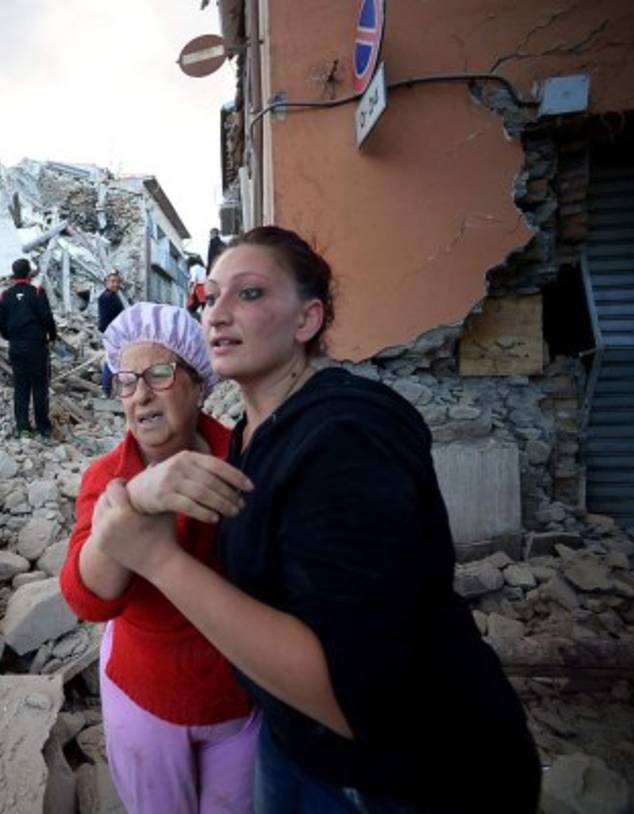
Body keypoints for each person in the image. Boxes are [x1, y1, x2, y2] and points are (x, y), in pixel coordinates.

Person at [90, 227, 541, 813]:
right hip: (297, 746)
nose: (218, 312)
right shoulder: (252, 436)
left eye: (249, 294)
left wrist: (158, 559)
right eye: (212, 294)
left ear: (307, 320)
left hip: (406, 779)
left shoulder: (347, 436)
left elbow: (353, 695)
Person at [59, 302, 260, 814]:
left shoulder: (245, 463)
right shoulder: (108, 476)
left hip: (238, 696)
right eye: (126, 381)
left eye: (160, 373)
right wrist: (138, 500)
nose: (141, 394)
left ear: (198, 384)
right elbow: (86, 598)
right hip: (145, 692)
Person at [0, 257, 57, 439]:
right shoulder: (37, 292)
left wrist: (10, 337)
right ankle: (43, 427)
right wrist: (51, 336)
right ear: (29, 272)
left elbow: (0, 321)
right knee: (40, 386)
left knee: (21, 387)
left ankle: (23, 427)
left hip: (17, 347)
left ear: (14, 274)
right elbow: (47, 318)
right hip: (37, 346)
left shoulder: (4, 296)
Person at [97, 271, 126, 399]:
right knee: (111, 360)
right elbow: (107, 320)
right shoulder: (106, 297)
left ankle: (110, 390)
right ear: (106, 283)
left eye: (117, 282)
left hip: (116, 333)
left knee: (115, 360)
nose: (115, 284)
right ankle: (106, 390)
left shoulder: (113, 296)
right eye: (112, 281)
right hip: (112, 333)